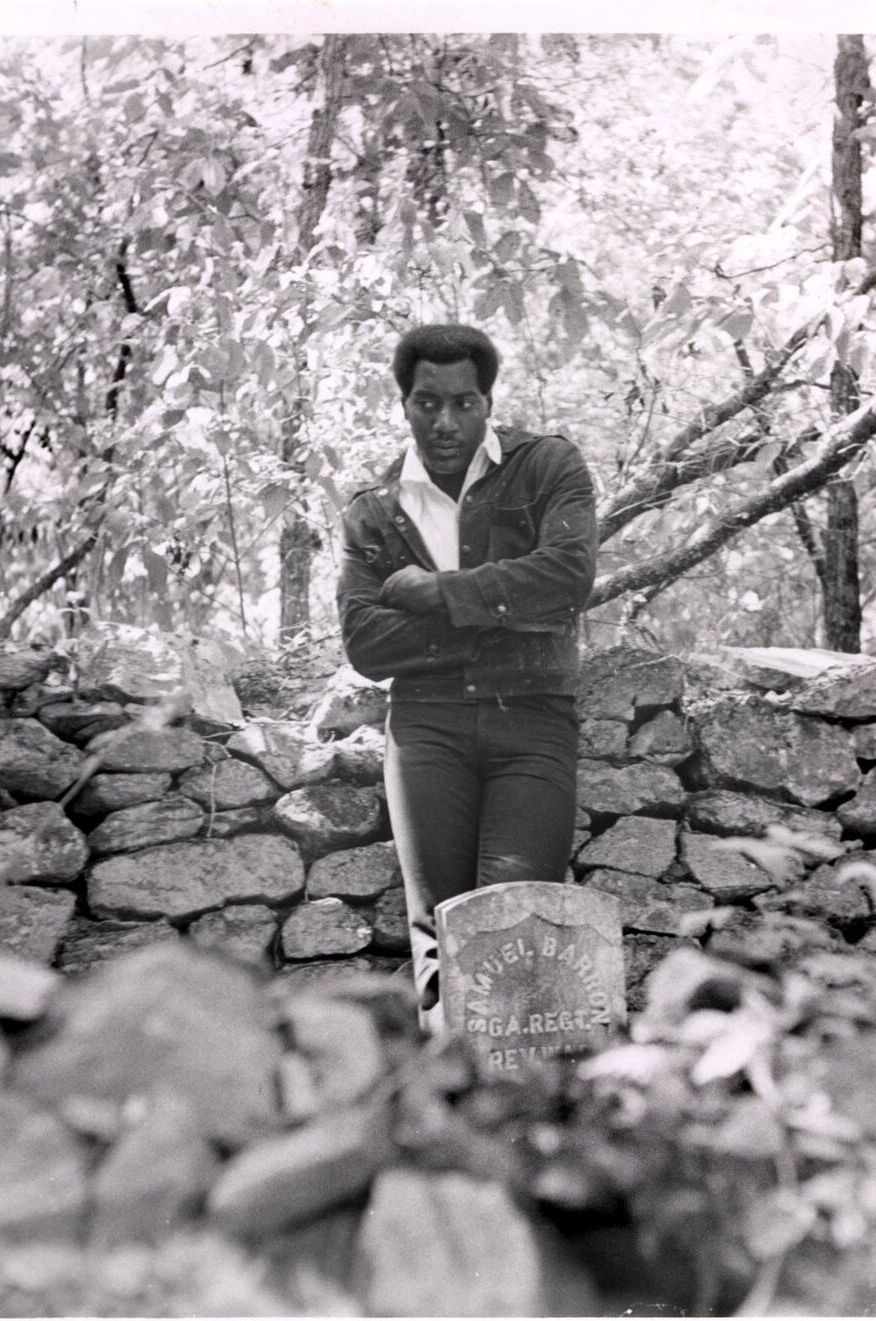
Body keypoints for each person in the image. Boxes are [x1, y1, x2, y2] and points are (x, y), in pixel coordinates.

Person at [337, 324, 598, 1028]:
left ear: (487, 402)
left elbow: (568, 580)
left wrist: (439, 593)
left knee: (517, 926)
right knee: (439, 934)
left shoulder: (547, 467)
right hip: (426, 727)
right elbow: (366, 642)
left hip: (534, 721)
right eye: (427, 403)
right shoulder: (375, 509)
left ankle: (513, 1111)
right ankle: (442, 1105)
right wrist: (499, 612)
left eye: (463, 403)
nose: (444, 421)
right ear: (404, 404)